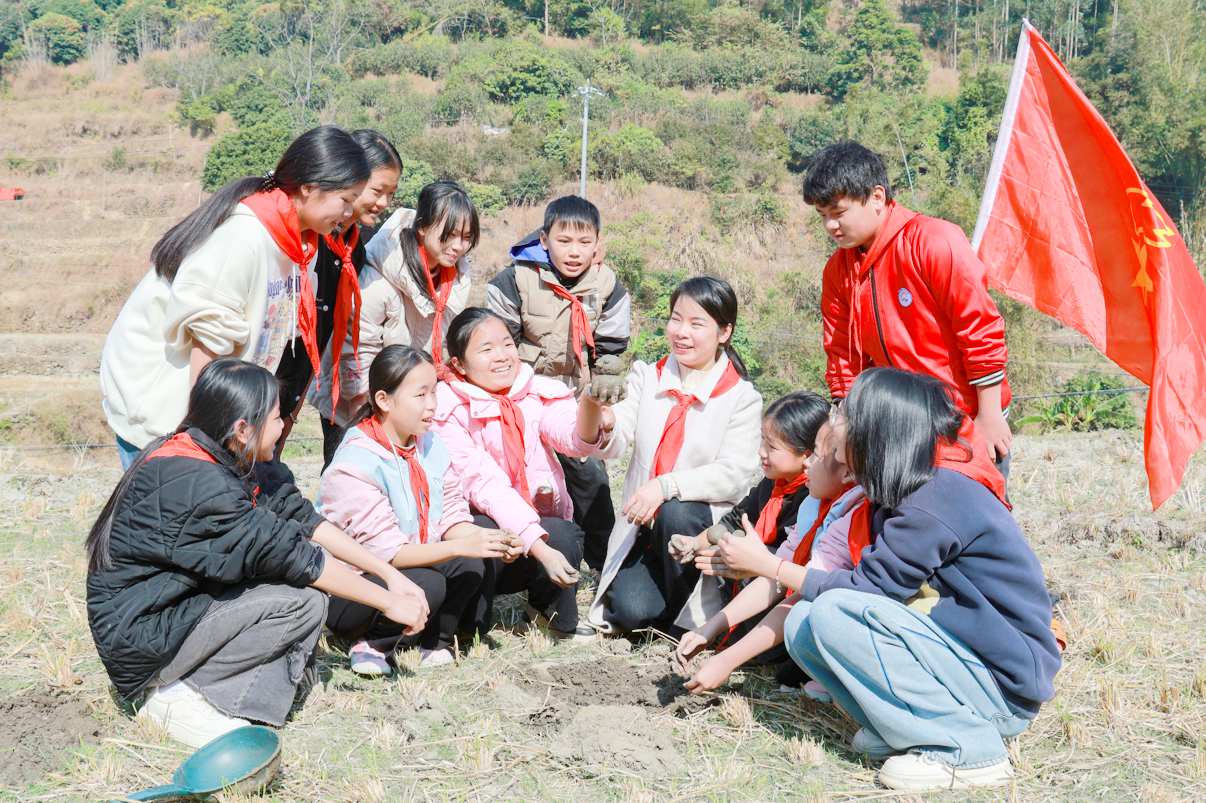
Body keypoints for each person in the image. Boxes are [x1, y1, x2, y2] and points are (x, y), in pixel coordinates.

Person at [700, 367, 1059, 792]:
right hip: (960, 663)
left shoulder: (936, 495)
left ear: (878, 430)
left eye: (845, 414)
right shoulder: (907, 488)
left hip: (999, 688)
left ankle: (968, 750)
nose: (835, 423)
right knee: (804, 624)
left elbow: (867, 592)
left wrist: (772, 566)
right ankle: (903, 728)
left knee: (835, 610)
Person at [85, 359, 427, 748]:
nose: (284, 427)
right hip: (143, 637)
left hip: (173, 608)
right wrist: (387, 601)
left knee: (303, 594)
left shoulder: (219, 450)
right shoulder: (198, 484)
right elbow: (296, 556)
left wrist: (389, 574)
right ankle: (179, 696)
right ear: (243, 428)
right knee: (301, 602)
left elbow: (303, 519)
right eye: (277, 418)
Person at [100, 126, 371, 468]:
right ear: (309, 187)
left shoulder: (301, 245)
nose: (349, 213)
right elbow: (208, 352)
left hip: (220, 420)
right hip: (169, 420)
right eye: (345, 200)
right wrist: (208, 448)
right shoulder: (242, 238)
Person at [807, 140, 1014, 475]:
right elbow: (842, 355)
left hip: (961, 420)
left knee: (971, 517)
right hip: (896, 427)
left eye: (839, 213)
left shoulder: (933, 241)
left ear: (876, 197)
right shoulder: (838, 271)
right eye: (823, 216)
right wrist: (844, 419)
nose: (831, 226)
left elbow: (980, 329)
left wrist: (988, 416)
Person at [318, 345, 515, 674]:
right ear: (383, 400)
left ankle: (434, 641)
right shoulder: (355, 464)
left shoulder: (430, 444)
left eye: (434, 392)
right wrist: (459, 545)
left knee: (471, 559)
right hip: (354, 587)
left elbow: (452, 514)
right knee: (429, 581)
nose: (432, 406)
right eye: (420, 395)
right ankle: (373, 642)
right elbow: (386, 553)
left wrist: (488, 539)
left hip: (407, 565)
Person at [587, 276, 763, 634]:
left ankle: (694, 614)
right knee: (629, 613)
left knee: (676, 509)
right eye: (676, 319)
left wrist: (665, 486)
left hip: (696, 532)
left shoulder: (742, 398)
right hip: (647, 531)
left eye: (697, 324)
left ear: (724, 332)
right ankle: (671, 610)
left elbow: (735, 474)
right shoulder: (647, 377)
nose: (681, 332)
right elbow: (618, 436)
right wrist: (601, 419)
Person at [432, 307, 607, 640]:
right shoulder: (446, 411)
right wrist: (539, 548)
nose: (502, 357)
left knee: (563, 534)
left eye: (507, 345)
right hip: (482, 530)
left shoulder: (536, 391)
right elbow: (484, 484)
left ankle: (547, 614)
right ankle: (466, 627)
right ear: (458, 364)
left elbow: (574, 439)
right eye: (486, 350)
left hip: (531, 528)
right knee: (481, 532)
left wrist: (591, 406)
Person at [486, 195, 632, 571]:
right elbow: (497, 346)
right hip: (520, 397)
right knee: (522, 484)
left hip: (573, 398)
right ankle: (523, 569)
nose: (574, 251)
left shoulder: (608, 285)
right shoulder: (514, 279)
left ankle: (605, 570)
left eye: (585, 242)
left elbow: (611, 349)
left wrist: (605, 391)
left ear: (598, 243)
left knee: (591, 482)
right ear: (545, 238)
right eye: (564, 241)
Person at [673, 410, 862, 697]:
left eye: (819, 455)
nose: (808, 464)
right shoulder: (813, 505)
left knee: (801, 634)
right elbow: (778, 579)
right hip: (808, 601)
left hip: (850, 618)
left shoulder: (853, 516)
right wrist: (710, 628)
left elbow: (792, 582)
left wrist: (727, 660)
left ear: (848, 470)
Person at [275, 129, 402, 468]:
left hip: (293, 387)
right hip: (262, 383)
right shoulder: (302, 239)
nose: (384, 203)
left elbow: (323, 330)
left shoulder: (353, 250)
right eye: (377, 191)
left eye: (391, 194)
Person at [352, 180, 477, 391]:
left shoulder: (455, 280)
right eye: (450, 235)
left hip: (411, 397)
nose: (458, 246)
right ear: (421, 227)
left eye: (466, 237)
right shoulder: (378, 277)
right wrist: (369, 407)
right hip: (368, 399)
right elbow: (357, 353)